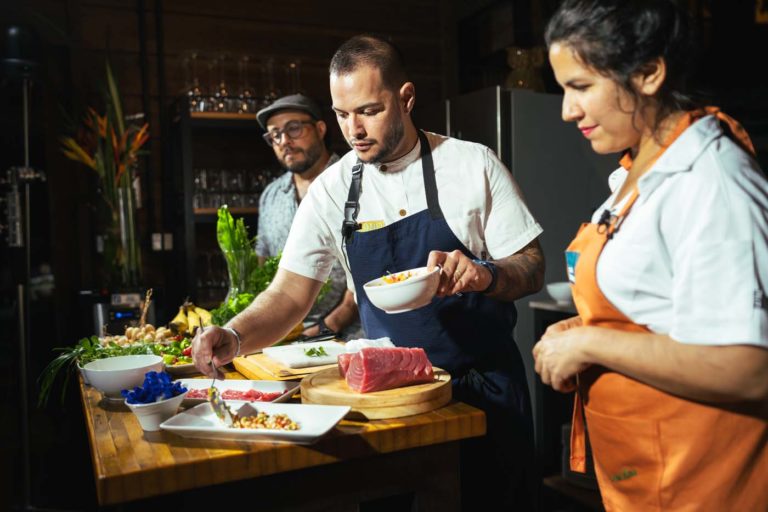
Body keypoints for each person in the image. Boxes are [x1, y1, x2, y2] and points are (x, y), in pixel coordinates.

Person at [193, 35, 545, 509]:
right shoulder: (332, 191)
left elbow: (532, 266)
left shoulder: (470, 165)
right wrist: (232, 337)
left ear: (406, 98)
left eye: (368, 111)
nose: (353, 129)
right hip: (387, 399)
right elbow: (289, 295)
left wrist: (485, 274)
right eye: (341, 115)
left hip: (484, 392)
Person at [533, 1, 768, 510]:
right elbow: (653, 310)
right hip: (643, 481)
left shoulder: (712, 181)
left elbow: (748, 367)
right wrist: (578, 330)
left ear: (648, 73)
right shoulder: (634, 174)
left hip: (703, 488)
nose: (567, 111)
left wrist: (591, 343)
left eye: (581, 87)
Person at [255, 93, 361, 339]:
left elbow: (369, 267)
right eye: (275, 135)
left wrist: (329, 326)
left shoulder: (353, 182)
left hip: (351, 334)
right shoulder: (271, 196)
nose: (284, 141)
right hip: (286, 334)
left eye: (293, 129)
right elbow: (261, 269)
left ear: (321, 129)